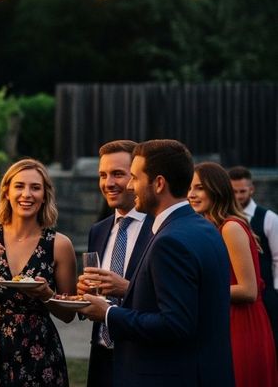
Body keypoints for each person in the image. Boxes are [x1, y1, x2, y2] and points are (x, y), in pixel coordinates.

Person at [81, 139, 234, 387]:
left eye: (134, 178)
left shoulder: (169, 241)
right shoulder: (205, 228)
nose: (130, 186)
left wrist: (108, 313)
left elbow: (175, 324)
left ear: (159, 183)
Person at [0, 158, 77, 387]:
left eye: (35, 187)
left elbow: (68, 314)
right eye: (19, 186)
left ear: (45, 195)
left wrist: (46, 294)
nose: (27, 194)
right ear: (6, 191)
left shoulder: (59, 245)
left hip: (40, 351)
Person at [188, 162, 278, 387]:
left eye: (199, 188)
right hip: (219, 321)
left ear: (216, 189)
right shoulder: (207, 226)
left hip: (241, 323)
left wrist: (198, 291)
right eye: (189, 188)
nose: (191, 194)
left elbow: (249, 290)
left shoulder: (230, 227)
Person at [78, 140, 153, 387]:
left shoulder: (160, 229)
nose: (108, 183)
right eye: (103, 175)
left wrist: (126, 288)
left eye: (118, 174)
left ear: (136, 177)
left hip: (142, 358)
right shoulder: (97, 231)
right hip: (101, 358)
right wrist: (84, 295)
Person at [228, 165, 278, 356]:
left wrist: (275, 292)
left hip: (266, 293)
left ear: (251, 189)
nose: (239, 196)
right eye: (234, 192)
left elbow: (276, 257)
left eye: (243, 191)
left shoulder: (269, 218)